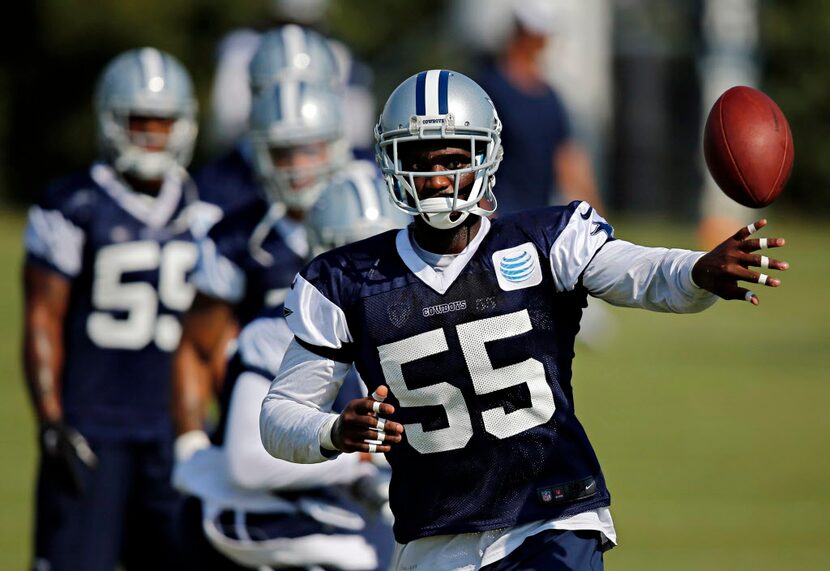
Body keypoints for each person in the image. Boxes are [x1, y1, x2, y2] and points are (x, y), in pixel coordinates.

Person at [259, 70, 789, 570]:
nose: (438, 178)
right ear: (391, 162)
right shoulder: (346, 279)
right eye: (420, 160)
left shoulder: (544, 241)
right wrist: (334, 430)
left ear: (486, 154)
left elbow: (640, 272)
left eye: (451, 158)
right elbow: (280, 413)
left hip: (551, 517)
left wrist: (695, 271)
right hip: (434, 539)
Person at [22, 47, 201, 570]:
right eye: (138, 120)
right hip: (91, 425)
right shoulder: (72, 204)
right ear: (111, 120)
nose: (151, 134)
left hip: (173, 428)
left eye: (163, 121)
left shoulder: (206, 209)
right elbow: (42, 317)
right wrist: (51, 418)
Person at [173, 174, 407, 570]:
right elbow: (248, 461)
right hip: (256, 516)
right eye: (360, 261)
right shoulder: (280, 333)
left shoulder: (413, 327)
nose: (375, 277)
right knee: (368, 553)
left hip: (338, 503)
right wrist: (361, 462)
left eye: (385, 259)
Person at [475, 0, 603, 216]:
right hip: (496, 221)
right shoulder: (488, 90)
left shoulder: (549, 98)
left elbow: (568, 161)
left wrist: (598, 218)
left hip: (536, 222)